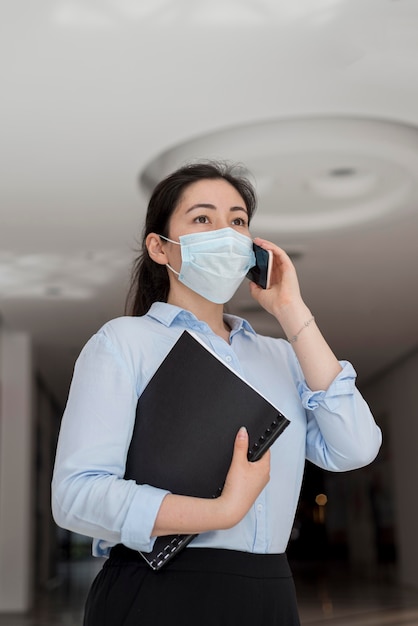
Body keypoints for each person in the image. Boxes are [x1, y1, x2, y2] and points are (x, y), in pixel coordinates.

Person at [51, 160, 382, 625]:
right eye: (202, 218)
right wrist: (221, 511)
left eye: (238, 220)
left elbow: (356, 447)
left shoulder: (281, 357)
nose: (225, 232)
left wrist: (292, 311)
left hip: (269, 592)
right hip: (156, 592)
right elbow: (75, 497)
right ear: (159, 248)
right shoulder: (123, 343)